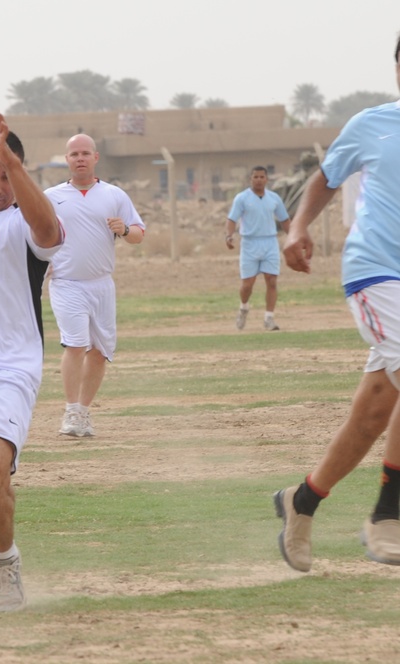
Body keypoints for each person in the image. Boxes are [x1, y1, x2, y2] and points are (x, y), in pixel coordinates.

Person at [273, 35, 400, 572]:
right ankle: (389, 514)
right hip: (376, 271)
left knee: (375, 411)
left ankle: (301, 502)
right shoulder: (372, 123)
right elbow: (326, 178)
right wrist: (298, 227)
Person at [45, 134, 145, 438]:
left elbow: (139, 233)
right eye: (74, 154)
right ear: (67, 159)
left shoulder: (114, 195)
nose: (80, 158)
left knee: (99, 352)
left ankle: (84, 413)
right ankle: (71, 410)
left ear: (95, 157)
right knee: (75, 344)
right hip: (66, 283)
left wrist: (124, 229)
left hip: (101, 284)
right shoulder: (51, 196)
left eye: (85, 153)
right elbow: (32, 233)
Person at [225, 166, 291, 331]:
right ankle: (244, 307)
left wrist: (293, 237)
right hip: (249, 243)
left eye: (262, 177)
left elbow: (284, 220)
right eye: (256, 177)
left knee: (272, 280)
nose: (259, 180)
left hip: (269, 242)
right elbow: (232, 219)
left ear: (267, 179)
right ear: (250, 179)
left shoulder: (274, 198)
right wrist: (229, 236)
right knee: (248, 284)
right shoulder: (242, 198)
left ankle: (269, 318)